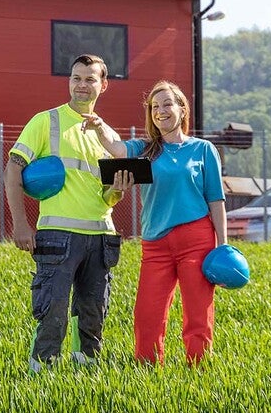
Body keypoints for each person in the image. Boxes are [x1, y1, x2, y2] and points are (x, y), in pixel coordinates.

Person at [5, 54, 133, 372]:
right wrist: (20, 224)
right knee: (53, 309)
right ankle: (42, 372)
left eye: (89, 79)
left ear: (103, 85)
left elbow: (108, 196)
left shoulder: (110, 138)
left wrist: (118, 188)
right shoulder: (45, 121)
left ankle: (85, 371)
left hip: (101, 236)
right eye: (76, 78)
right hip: (57, 235)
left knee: (93, 312)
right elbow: (13, 169)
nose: (81, 85)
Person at [85, 80, 226, 366]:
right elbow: (117, 149)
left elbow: (216, 199)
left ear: (182, 109)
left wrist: (222, 246)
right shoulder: (145, 148)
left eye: (167, 104)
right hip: (155, 244)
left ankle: (197, 367)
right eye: (154, 107)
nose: (160, 111)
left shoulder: (203, 150)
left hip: (196, 239)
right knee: (147, 313)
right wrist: (100, 127)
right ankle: (147, 368)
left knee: (198, 312)